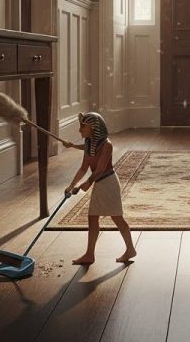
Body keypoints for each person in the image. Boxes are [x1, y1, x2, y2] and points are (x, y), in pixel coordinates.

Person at [63, 112, 136, 264]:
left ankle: (130, 249)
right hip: (100, 184)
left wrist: (87, 183)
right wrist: (71, 185)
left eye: (83, 126)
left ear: (94, 128)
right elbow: (84, 168)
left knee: (117, 218)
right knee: (93, 218)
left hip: (108, 183)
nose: (80, 130)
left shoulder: (107, 145)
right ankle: (90, 254)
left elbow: (101, 169)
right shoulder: (89, 144)